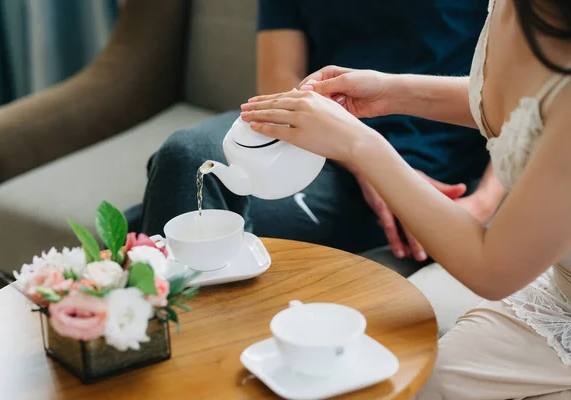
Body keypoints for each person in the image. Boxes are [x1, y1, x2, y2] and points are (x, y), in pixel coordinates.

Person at [240, 0, 571, 397]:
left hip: (521, 276)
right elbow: (523, 109)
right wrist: (391, 91)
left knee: (416, 376)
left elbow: (493, 270)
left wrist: (360, 145)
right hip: (555, 277)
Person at [135, 0, 503, 265]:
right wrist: (360, 159)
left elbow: (532, 106)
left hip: (428, 173)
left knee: (153, 214)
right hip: (319, 147)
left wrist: (482, 204)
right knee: (186, 155)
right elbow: (278, 80)